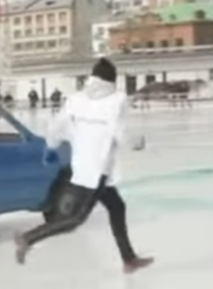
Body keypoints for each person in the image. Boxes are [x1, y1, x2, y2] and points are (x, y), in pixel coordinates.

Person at [14, 58, 154, 274]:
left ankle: (129, 259)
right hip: (99, 167)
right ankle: (28, 237)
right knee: (74, 219)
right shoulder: (117, 100)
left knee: (117, 206)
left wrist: (50, 148)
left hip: (81, 163)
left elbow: (56, 127)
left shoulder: (76, 98)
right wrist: (139, 143)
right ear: (112, 80)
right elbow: (120, 133)